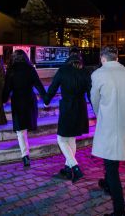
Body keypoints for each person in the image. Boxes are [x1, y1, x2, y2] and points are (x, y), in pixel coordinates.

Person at [90, 46, 125, 216]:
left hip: (108, 126)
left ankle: (119, 210)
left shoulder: (98, 74)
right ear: (117, 57)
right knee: (112, 161)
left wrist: (101, 114)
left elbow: (95, 99)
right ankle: (107, 183)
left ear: (102, 58)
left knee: (112, 167)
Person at [44, 47, 91, 183]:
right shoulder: (85, 71)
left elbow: (53, 88)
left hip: (68, 107)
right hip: (80, 107)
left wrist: (46, 101)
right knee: (71, 139)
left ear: (69, 56)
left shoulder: (63, 70)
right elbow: (90, 91)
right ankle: (67, 168)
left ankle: (75, 168)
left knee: (61, 139)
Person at [2, 49, 46, 167]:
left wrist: (3, 100)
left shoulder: (11, 70)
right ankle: (25, 153)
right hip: (29, 101)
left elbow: (7, 88)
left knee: (20, 131)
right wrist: (45, 99)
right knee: (26, 126)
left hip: (17, 101)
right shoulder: (30, 69)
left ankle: (25, 155)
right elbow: (39, 85)